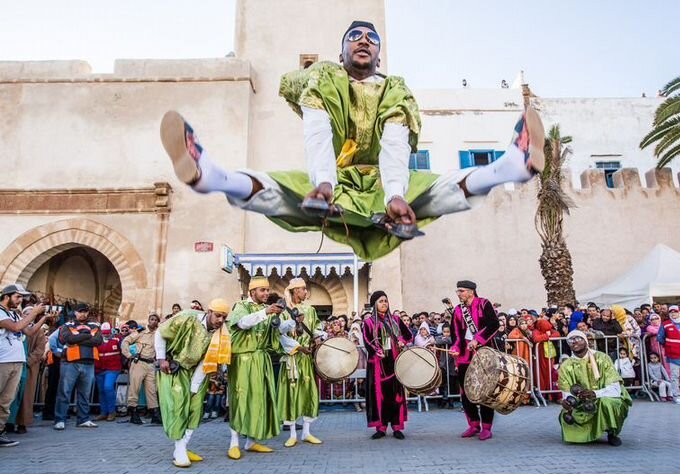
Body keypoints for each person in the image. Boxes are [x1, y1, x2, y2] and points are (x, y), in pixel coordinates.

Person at [159, 21, 545, 261]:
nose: (364, 41)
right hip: (334, 184)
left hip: (383, 184)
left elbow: (395, 143)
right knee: (282, 190)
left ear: (379, 54)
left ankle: (510, 165)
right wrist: (324, 182)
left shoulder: (395, 89)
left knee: (432, 190)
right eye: (354, 37)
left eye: (371, 38)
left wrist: (395, 193)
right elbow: (317, 130)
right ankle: (209, 175)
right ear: (341, 50)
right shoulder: (324, 78)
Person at [155, 299, 231, 467]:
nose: (220, 320)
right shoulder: (187, 317)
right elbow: (160, 333)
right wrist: (161, 359)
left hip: (198, 371)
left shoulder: (222, 334)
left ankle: (181, 447)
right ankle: (180, 450)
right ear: (209, 312)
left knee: (195, 408)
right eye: (218, 316)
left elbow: (207, 360)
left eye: (224, 318)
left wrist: (194, 387)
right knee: (179, 407)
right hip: (175, 367)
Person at [226, 276, 282, 457]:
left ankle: (251, 442)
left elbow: (273, 336)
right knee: (240, 398)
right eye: (262, 290)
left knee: (258, 399)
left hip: (260, 359)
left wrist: (278, 321)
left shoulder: (265, 310)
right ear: (252, 292)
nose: (266, 293)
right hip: (243, 359)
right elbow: (242, 323)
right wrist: (266, 313)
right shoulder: (241, 306)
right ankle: (234, 443)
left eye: (267, 290)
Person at [558, 330, 631, 446]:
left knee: (608, 404)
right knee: (565, 415)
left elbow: (615, 389)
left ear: (586, 341)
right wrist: (567, 402)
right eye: (571, 340)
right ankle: (584, 435)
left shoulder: (602, 358)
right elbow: (566, 392)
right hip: (582, 402)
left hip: (606, 397)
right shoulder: (566, 366)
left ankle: (612, 433)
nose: (574, 342)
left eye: (578, 339)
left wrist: (595, 394)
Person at [276, 277, 325, 448]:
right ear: (295, 291)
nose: (305, 292)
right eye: (303, 289)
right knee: (291, 394)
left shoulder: (310, 310)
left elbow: (316, 327)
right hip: (292, 358)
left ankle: (306, 432)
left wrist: (319, 337)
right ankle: (292, 434)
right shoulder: (284, 310)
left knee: (307, 392)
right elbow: (279, 333)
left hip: (306, 358)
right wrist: (298, 347)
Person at [449, 280, 500, 440]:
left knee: (485, 390)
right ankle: (473, 424)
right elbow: (455, 333)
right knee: (466, 391)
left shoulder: (484, 304)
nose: (459, 294)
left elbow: (494, 325)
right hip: (465, 357)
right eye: (458, 291)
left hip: (484, 354)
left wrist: (478, 340)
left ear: (471, 291)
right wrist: (456, 348)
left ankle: (486, 427)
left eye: (461, 291)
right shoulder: (458, 310)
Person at [0, 285, 48, 446]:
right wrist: (33, 312)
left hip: (16, 361)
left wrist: (43, 318)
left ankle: (0, 432)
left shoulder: (14, 314)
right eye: (17, 297)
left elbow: (29, 331)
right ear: (6, 296)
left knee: (6, 401)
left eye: (22, 297)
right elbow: (15, 328)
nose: (20, 300)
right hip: (3, 361)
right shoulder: (1, 312)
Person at [362, 291, 413, 439]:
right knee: (380, 397)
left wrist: (402, 341)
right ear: (374, 305)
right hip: (378, 365)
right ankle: (381, 427)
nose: (384, 303)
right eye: (380, 301)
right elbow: (366, 340)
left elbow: (409, 335)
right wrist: (376, 350)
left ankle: (397, 427)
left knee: (396, 396)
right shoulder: (368, 323)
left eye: (386, 300)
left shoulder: (396, 320)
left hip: (395, 363)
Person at [54, 304, 103, 430]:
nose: (83, 314)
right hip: (70, 362)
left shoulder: (95, 326)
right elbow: (68, 339)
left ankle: (83, 419)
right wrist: (87, 335)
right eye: (80, 312)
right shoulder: (67, 325)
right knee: (65, 392)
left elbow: (98, 341)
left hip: (88, 363)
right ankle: (60, 419)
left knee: (85, 393)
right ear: (75, 312)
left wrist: (78, 338)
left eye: (85, 312)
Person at [121, 314, 161, 425]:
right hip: (139, 362)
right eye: (152, 319)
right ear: (148, 320)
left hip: (150, 364)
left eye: (156, 320)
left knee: (152, 390)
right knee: (135, 388)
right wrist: (129, 355)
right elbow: (125, 341)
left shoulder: (159, 334)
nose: (153, 322)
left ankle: (155, 414)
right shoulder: (140, 332)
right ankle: (133, 413)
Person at [95, 322, 123, 421]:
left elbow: (123, 351)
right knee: (101, 390)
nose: (106, 334)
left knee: (108, 387)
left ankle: (112, 411)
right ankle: (103, 412)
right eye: (104, 333)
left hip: (113, 368)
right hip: (99, 368)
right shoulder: (97, 340)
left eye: (107, 332)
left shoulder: (117, 339)